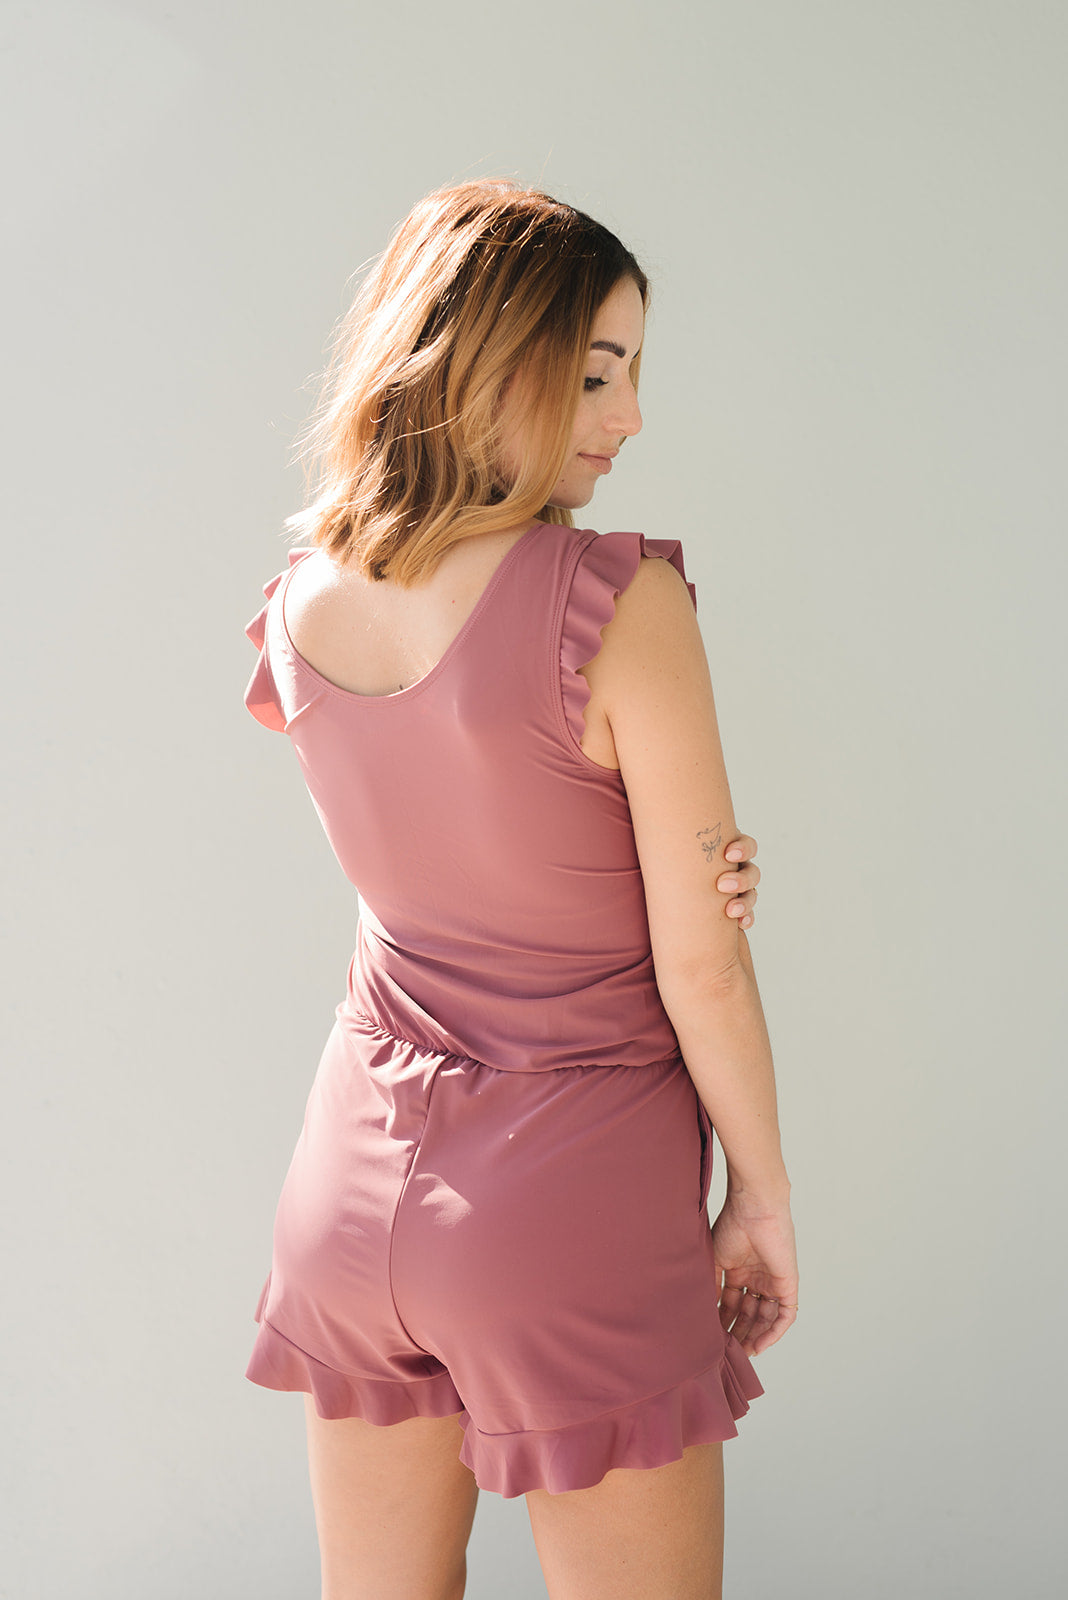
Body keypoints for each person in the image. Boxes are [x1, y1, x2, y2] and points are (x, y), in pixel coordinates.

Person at [242, 178, 797, 1600]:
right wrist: (761, 1193)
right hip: (572, 1207)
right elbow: (702, 966)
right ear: (489, 361)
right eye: (598, 374)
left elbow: (431, 873)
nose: (631, 417)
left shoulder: (304, 598)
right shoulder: (616, 603)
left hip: (348, 1186)